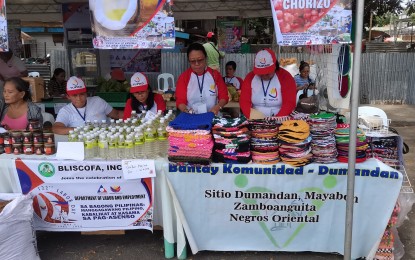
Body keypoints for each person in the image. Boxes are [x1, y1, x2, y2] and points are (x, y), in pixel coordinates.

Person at [52, 76, 123, 134]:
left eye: (82, 94)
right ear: (68, 97)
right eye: (74, 95)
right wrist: (81, 130)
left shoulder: (97, 101)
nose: (79, 98)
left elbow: (117, 114)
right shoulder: (66, 111)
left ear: (86, 94)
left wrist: (133, 115)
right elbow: (56, 128)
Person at [239, 48, 297, 118]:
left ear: (275, 66)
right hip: (254, 118)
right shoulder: (250, 77)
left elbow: (289, 103)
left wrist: (276, 120)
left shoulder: (286, 77)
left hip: (280, 118)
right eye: (260, 73)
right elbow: (244, 102)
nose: (264, 76)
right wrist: (252, 117)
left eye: (267, 73)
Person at [175, 43, 228, 115]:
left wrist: (218, 107)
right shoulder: (184, 77)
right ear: (189, 61)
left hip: (212, 116)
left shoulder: (215, 75)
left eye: (200, 60)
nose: (197, 64)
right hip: (191, 117)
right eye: (193, 61)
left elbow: (224, 97)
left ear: (206, 58)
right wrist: (187, 111)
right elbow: (180, 101)